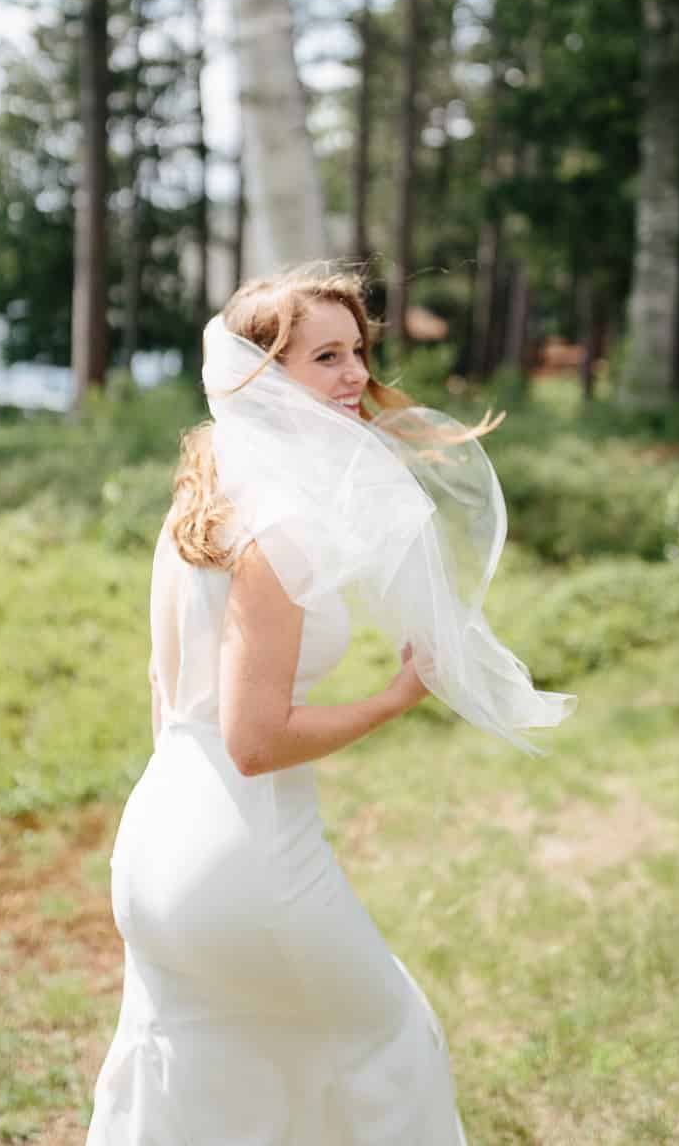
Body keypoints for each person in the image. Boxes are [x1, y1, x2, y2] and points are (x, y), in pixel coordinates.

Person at [85, 265, 574, 1146]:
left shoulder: (198, 502)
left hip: (156, 844)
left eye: (357, 352)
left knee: (209, 1075)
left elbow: (170, 698)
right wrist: (398, 697)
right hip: (245, 856)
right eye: (326, 357)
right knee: (387, 1044)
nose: (355, 375)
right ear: (261, 374)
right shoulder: (278, 530)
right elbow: (255, 742)